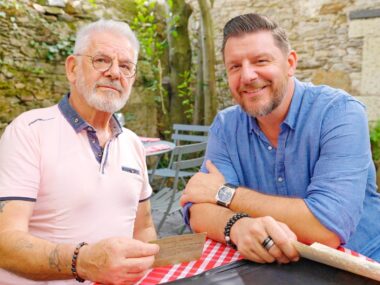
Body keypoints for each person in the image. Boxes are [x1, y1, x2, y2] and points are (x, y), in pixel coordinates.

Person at [180, 13, 380, 263]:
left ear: (290, 63)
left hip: (359, 266)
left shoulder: (340, 113)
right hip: (274, 267)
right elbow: (197, 210)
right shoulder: (226, 125)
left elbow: (327, 228)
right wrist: (237, 226)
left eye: (260, 61)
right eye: (234, 66)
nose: (248, 76)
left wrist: (226, 194)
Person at [0, 20, 160, 285]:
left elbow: (143, 229)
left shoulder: (132, 143)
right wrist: (83, 262)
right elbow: (4, 240)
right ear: (72, 68)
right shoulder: (29, 131)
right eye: (101, 60)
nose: (114, 72)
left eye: (126, 66)